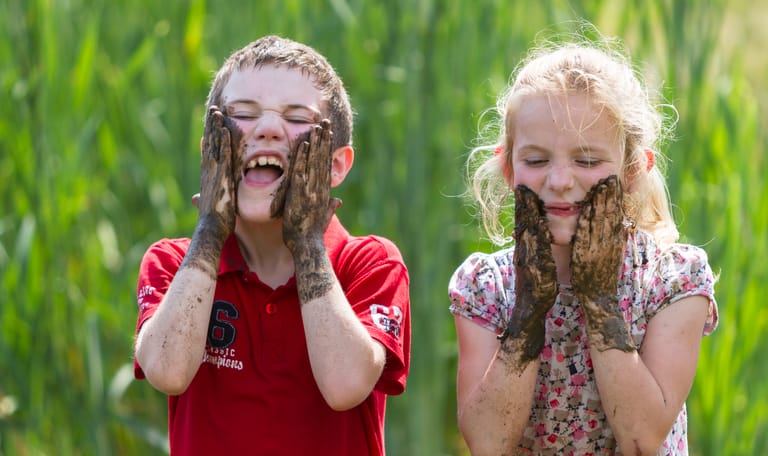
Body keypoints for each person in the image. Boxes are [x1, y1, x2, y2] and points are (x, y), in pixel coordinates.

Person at [133, 35, 411, 456]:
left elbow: (345, 386)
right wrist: (210, 230)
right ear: (211, 146)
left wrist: (307, 243)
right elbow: (167, 371)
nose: (266, 128)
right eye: (243, 113)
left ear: (335, 165)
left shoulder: (370, 262)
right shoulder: (174, 263)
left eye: (297, 117)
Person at [448, 33, 718, 455]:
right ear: (508, 169)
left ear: (633, 169)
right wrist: (529, 309)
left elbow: (641, 439)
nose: (559, 181)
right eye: (536, 161)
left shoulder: (672, 278)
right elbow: (487, 442)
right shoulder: (488, 284)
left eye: (588, 161)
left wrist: (600, 299)